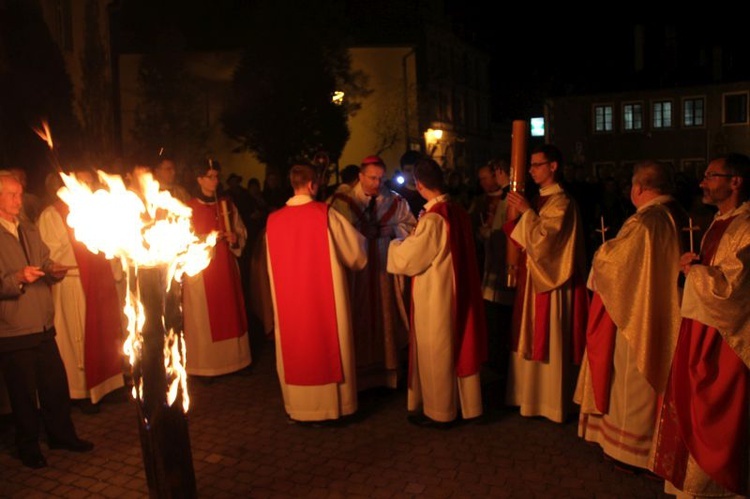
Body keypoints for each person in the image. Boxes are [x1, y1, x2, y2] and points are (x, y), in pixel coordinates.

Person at [574, 160, 689, 472]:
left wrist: (601, 253)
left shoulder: (646, 222)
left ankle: (630, 451)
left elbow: (616, 266)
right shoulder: (677, 214)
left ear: (639, 188)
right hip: (667, 311)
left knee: (632, 380)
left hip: (639, 314)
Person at [651, 152, 750, 498]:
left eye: (711, 176)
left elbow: (735, 287)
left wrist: (697, 274)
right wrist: (692, 265)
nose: (702, 182)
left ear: (735, 181)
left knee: (720, 416)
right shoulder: (719, 220)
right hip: (701, 330)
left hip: (727, 339)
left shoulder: (747, 226)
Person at [0, 170, 93, 469]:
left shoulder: (27, 228)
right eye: (12, 194)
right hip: (14, 327)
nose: (19, 199)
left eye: (20, 193)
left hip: (42, 322)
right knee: (24, 394)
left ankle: (61, 435)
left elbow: (42, 260)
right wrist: (16, 278)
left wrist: (52, 269)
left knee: (54, 384)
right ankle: (28, 447)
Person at [387, 157, 487, 426]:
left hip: (437, 294)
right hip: (457, 290)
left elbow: (412, 258)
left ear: (419, 185)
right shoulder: (456, 211)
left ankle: (440, 411)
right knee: (453, 346)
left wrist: (395, 245)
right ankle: (465, 405)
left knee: (436, 351)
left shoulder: (434, 219)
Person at [265, 163, 367, 424]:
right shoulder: (326, 214)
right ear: (312, 185)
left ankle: (300, 409)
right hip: (326, 299)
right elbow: (356, 255)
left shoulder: (273, 221)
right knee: (331, 339)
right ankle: (336, 408)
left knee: (294, 344)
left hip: (289, 300)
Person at [503, 144, 589, 424]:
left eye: (537, 165)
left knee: (547, 333)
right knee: (526, 332)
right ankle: (526, 396)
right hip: (532, 278)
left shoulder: (563, 202)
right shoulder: (539, 199)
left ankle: (549, 401)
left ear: (553, 166)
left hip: (553, 283)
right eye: (530, 165)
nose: (531, 170)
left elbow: (546, 243)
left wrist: (527, 212)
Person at [37, 168, 126, 414]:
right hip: (74, 281)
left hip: (100, 280)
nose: (89, 188)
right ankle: (81, 391)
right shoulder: (52, 214)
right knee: (79, 335)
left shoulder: (101, 213)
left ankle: (109, 385)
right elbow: (52, 254)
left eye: (90, 183)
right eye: (83, 183)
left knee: (107, 332)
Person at [328, 155, 416, 391]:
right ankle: (357, 376)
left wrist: (391, 229)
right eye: (372, 178)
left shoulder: (395, 201)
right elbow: (334, 233)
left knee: (386, 315)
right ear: (360, 176)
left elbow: (411, 228)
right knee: (357, 316)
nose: (377, 183)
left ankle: (388, 373)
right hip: (357, 273)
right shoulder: (342, 201)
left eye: (381, 178)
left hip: (385, 270)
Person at [183, 160, 251, 377]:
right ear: (199, 179)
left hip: (226, 268)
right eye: (210, 176)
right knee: (204, 320)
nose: (215, 181)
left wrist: (235, 237)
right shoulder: (188, 208)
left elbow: (241, 230)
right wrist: (207, 239)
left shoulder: (227, 205)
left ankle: (234, 362)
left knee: (230, 310)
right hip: (202, 272)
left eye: (216, 176)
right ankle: (206, 367)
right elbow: (183, 240)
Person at [471, 159, 514, 392]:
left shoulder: (510, 200)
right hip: (486, 265)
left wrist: (489, 235)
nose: (483, 182)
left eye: (486, 177)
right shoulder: (478, 202)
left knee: (501, 318)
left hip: (503, 267)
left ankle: (501, 364)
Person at [392, 150, 426, 218]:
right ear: (402, 171)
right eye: (408, 170)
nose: (412, 174)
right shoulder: (397, 194)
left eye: (415, 170)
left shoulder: (427, 194)